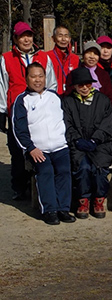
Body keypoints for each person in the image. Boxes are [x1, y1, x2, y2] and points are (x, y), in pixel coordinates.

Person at [0, 21, 57, 201]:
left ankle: (42, 183)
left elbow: (52, 83)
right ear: (15, 38)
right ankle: (19, 186)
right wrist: (2, 110)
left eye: (29, 35)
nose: (26, 39)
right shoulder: (7, 58)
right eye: (22, 36)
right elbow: (2, 86)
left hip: (40, 110)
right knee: (18, 151)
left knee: (41, 148)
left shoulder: (43, 57)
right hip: (17, 110)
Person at [12, 62, 75, 225]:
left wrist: (66, 140)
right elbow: (19, 129)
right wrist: (30, 148)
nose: (37, 80)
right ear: (26, 79)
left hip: (60, 146)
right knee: (45, 171)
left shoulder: (54, 96)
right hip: (38, 149)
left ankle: (63, 208)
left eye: (40, 76)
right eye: (33, 76)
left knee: (64, 171)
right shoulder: (22, 100)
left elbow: (66, 120)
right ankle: (50, 210)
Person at [62, 67, 112, 219]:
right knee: (82, 167)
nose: (85, 87)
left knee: (98, 169)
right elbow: (66, 124)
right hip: (77, 143)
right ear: (75, 86)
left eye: (88, 84)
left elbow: (107, 125)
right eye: (80, 85)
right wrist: (76, 139)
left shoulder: (102, 100)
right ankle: (83, 200)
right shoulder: (68, 101)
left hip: (99, 143)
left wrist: (95, 139)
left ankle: (99, 199)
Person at [65, 41, 112, 106]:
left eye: (95, 54)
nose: (92, 56)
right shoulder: (75, 74)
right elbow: (69, 95)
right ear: (83, 55)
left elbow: (110, 97)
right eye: (88, 53)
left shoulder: (104, 74)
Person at [47, 25, 80, 96]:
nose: (63, 39)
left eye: (66, 36)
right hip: (52, 96)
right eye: (60, 36)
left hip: (72, 97)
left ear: (69, 39)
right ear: (53, 38)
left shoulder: (75, 58)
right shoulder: (47, 57)